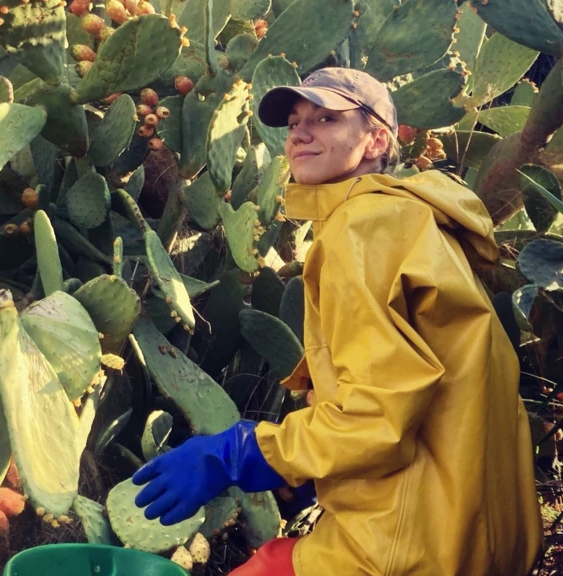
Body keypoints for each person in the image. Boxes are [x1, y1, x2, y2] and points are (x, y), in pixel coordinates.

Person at [132, 67, 545, 575]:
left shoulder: (363, 229)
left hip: (406, 548)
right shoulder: (411, 220)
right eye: (295, 121)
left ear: (375, 139)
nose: (301, 133)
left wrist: (241, 453)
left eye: (326, 118)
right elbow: (424, 394)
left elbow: (375, 416)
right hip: (481, 535)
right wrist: (303, 475)